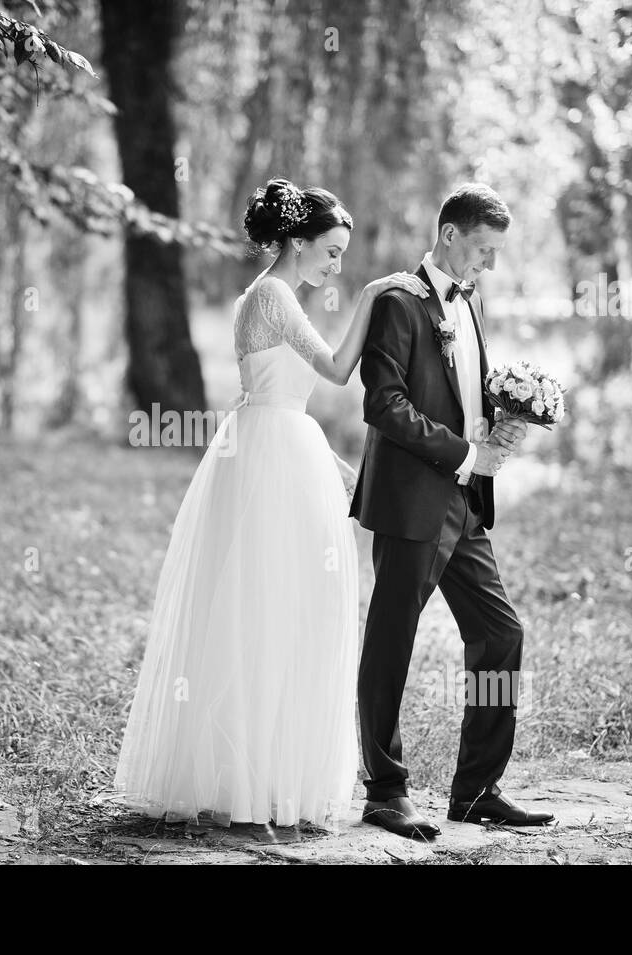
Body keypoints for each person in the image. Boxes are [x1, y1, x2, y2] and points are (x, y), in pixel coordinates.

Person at [114, 178, 428, 827]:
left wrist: (333, 464)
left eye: (343, 257)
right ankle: (257, 778)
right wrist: (374, 296)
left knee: (268, 605)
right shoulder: (277, 294)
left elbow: (274, 395)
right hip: (273, 454)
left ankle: (255, 773)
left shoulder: (260, 294)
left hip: (275, 444)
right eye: (332, 251)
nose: (337, 265)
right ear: (298, 241)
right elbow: (339, 370)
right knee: (273, 606)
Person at [349, 182, 554, 839]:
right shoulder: (398, 304)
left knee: (500, 634)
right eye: (483, 250)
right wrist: (465, 452)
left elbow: (459, 393)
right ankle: (385, 790)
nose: (488, 264)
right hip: (412, 500)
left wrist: (508, 418)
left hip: (464, 506)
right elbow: (384, 403)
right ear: (450, 236)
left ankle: (476, 790)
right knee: (391, 643)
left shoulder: (467, 305)